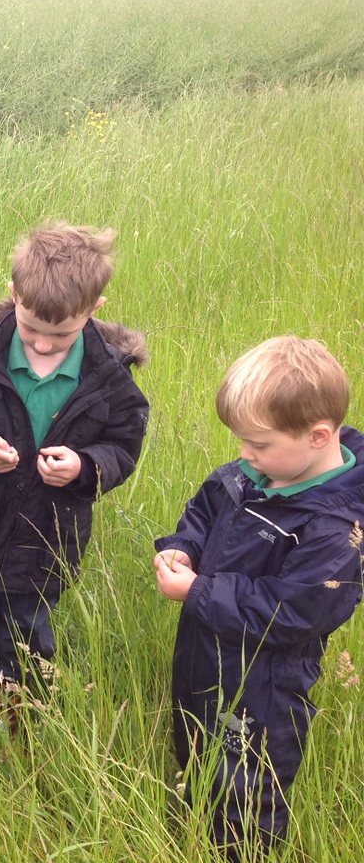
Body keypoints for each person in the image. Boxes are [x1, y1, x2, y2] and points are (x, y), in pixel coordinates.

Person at [154, 336, 364, 861]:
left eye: (259, 443)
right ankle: (192, 824)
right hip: (205, 653)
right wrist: (182, 549)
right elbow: (203, 510)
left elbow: (295, 612)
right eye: (242, 441)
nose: (245, 454)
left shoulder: (334, 528)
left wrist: (199, 590)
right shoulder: (257, 472)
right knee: (197, 747)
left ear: (318, 436)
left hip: (266, 687)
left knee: (249, 787)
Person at [0, 221, 149, 685]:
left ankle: (16, 713)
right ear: (14, 294)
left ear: (94, 309)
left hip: (46, 543)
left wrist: (85, 466)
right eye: (32, 329)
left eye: (60, 336)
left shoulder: (109, 378)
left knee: (23, 640)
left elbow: (123, 445)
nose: (42, 344)